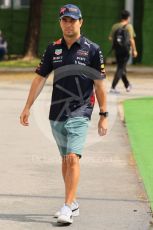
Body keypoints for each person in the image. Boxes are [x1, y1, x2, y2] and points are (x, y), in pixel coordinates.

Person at [20, 4, 108, 224]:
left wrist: (103, 114)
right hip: (57, 112)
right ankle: (73, 201)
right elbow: (40, 78)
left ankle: (67, 207)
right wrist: (27, 106)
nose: (68, 24)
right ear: (60, 23)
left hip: (81, 110)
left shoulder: (92, 49)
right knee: (65, 159)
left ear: (81, 22)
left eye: (72, 20)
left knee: (72, 157)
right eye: (64, 20)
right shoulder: (53, 49)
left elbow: (99, 84)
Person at [109, 10, 138, 93]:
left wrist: (118, 43)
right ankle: (113, 87)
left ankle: (127, 85)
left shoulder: (115, 26)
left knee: (122, 68)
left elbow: (110, 38)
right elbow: (131, 39)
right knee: (121, 68)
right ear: (128, 17)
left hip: (117, 51)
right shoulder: (129, 26)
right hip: (125, 51)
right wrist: (134, 50)